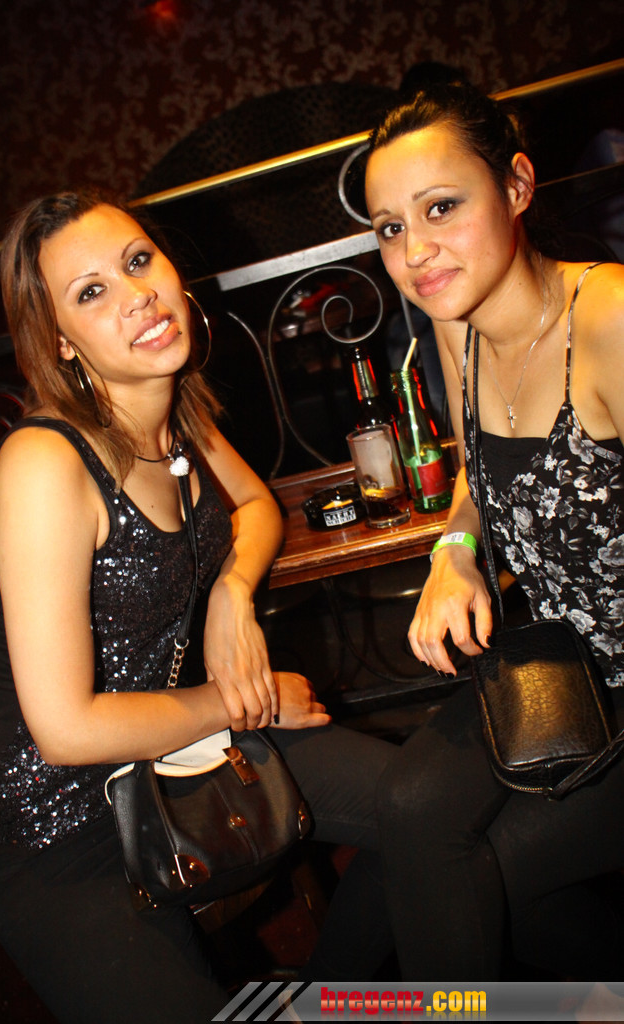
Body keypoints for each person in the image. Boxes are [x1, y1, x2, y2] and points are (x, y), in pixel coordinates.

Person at [0, 189, 398, 1023]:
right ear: (60, 340)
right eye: (91, 292)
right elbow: (65, 730)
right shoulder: (46, 462)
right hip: (56, 823)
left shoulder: (174, 413)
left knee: (430, 807)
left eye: (137, 261)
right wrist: (245, 701)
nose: (136, 296)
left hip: (174, 751)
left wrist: (232, 593)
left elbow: (256, 505)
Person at [365, 65, 624, 980]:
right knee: (407, 810)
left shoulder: (609, 321)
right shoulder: (457, 322)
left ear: (516, 186)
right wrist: (454, 549)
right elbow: (476, 474)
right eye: (390, 228)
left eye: (440, 207)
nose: (416, 251)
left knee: (487, 873)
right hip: (558, 668)